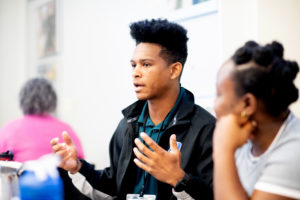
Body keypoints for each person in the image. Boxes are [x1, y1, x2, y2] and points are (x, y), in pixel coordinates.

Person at [51, 19, 215, 200]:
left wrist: (178, 179)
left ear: (174, 70)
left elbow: (217, 196)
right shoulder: (127, 125)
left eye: (146, 64)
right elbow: (112, 188)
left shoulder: (205, 129)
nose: (135, 72)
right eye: (133, 65)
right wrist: (77, 168)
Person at [213, 41, 300, 200]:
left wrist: (222, 150)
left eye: (219, 94)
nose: (214, 105)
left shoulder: (295, 151)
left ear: (247, 104)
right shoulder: (244, 138)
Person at [0, 77, 87, 200]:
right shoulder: (66, 129)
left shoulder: (9, 128)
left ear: (22, 100)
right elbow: (80, 165)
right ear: (52, 100)